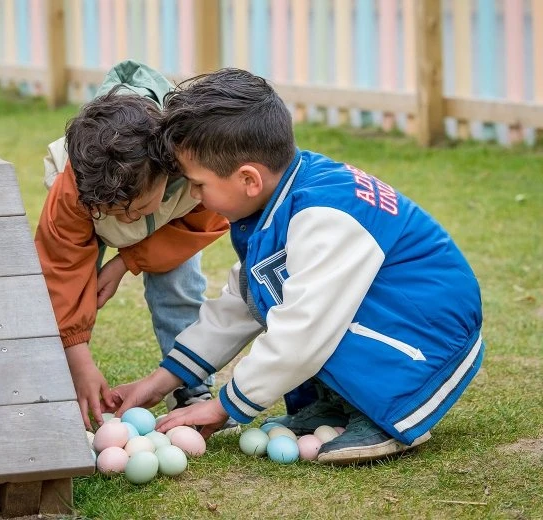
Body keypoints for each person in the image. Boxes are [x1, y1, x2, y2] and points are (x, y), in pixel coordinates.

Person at [110, 68, 484, 464]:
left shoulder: (326, 215)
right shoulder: (283, 196)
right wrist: (161, 380)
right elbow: (244, 300)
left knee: (305, 318)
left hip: (427, 339)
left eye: (199, 184)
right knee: (273, 295)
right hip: (403, 318)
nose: (196, 198)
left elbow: (304, 329)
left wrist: (224, 406)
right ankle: (339, 403)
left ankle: (387, 415)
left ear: (248, 179)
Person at [34, 60, 230, 430]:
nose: (128, 221)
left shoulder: (192, 168)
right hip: (87, 221)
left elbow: (203, 224)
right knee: (72, 295)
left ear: (166, 169)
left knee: (179, 289)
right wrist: (81, 361)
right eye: (115, 213)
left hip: (173, 224)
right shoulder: (74, 188)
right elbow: (61, 269)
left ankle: (190, 386)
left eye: (136, 210)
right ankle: (65, 381)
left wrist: (129, 259)